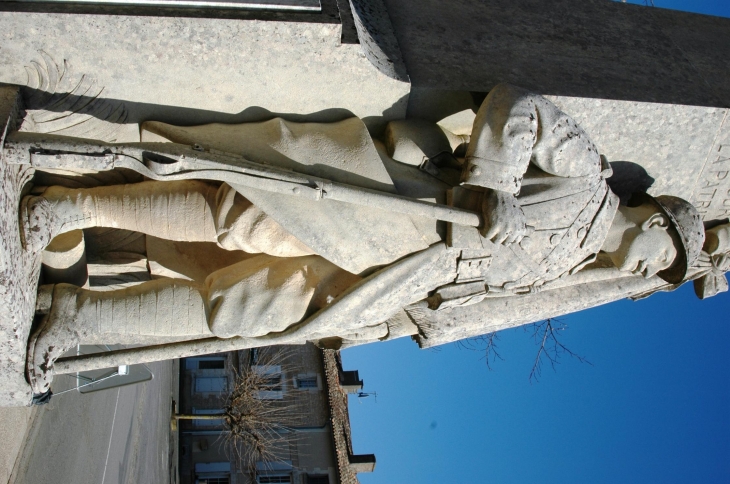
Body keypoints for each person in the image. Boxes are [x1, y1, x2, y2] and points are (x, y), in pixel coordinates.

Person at [18, 84, 704, 396]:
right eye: (661, 261)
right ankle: (66, 204)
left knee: (249, 312)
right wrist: (492, 182)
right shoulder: (590, 177)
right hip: (407, 209)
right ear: (656, 221)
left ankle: (79, 322)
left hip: (406, 278)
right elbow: (518, 103)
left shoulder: (574, 267)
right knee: (243, 215)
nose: (647, 274)